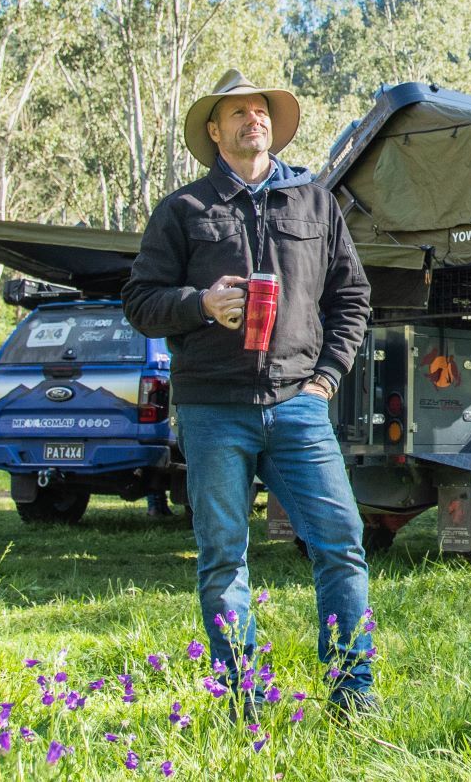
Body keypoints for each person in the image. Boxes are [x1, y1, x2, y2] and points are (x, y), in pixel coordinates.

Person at [122, 69, 376, 713]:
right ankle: (244, 701)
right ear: (215, 130)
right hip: (212, 410)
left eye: (260, 109)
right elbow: (140, 301)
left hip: (298, 404)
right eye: (236, 112)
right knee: (222, 559)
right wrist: (201, 303)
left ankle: (353, 694)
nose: (251, 119)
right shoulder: (183, 210)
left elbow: (352, 297)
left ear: (272, 123)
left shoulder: (315, 201)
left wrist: (326, 379)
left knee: (341, 545)